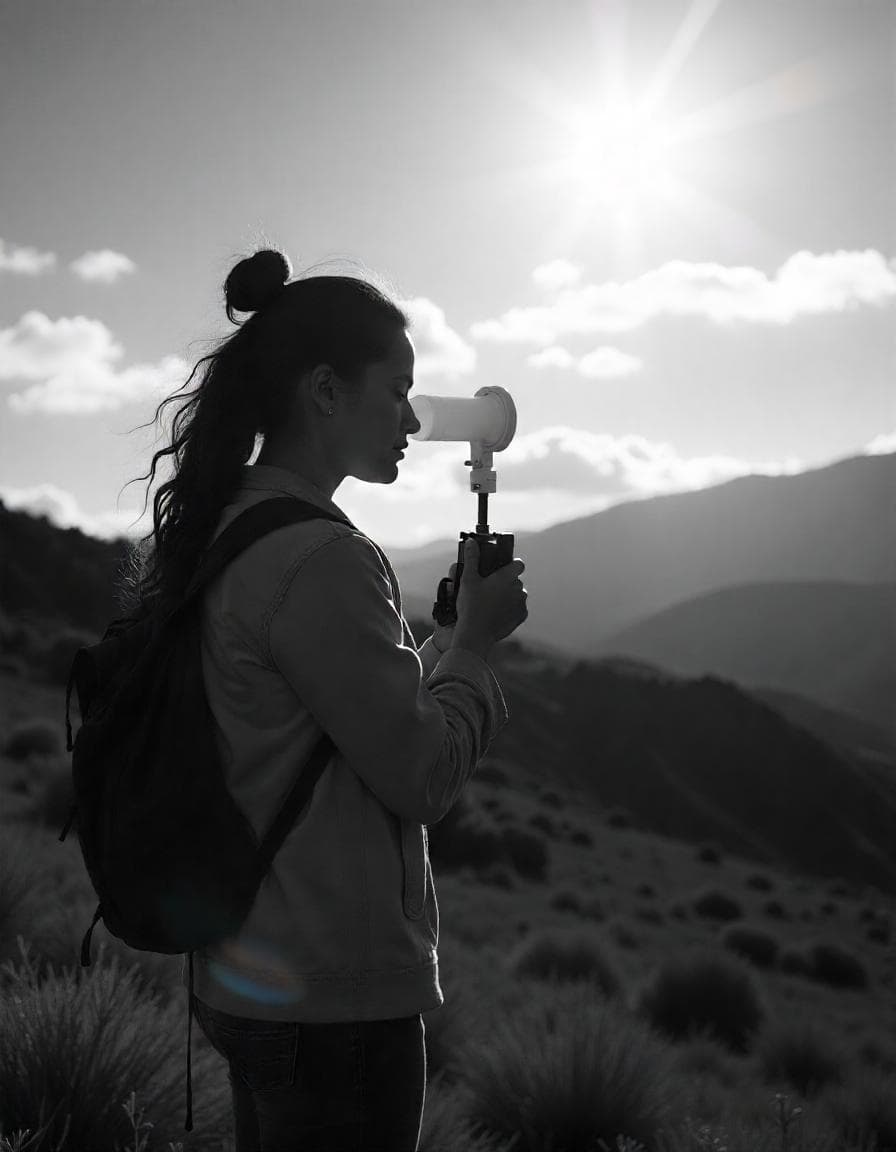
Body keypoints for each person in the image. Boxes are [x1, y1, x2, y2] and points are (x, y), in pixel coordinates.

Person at [118, 248, 528, 1151]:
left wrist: (433, 649)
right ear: (325, 391)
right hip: (332, 997)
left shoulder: (231, 527)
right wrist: (475, 646)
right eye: (397, 389)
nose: (414, 418)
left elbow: (315, 721)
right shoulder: (323, 558)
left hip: (250, 970)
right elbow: (421, 778)